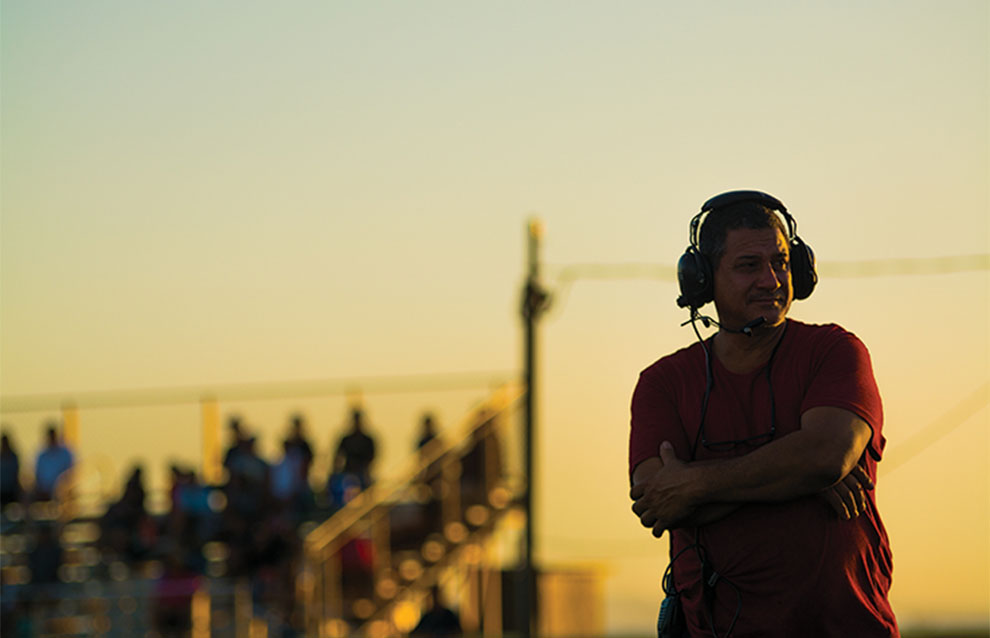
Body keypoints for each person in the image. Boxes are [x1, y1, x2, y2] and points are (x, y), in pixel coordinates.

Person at [628, 191, 898, 637]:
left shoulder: (835, 352)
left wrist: (695, 484)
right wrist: (801, 479)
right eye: (749, 265)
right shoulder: (663, 383)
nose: (771, 279)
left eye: (781, 262)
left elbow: (827, 455)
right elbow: (657, 500)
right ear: (702, 280)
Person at [335, 407, 377, 489]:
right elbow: (338, 456)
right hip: (347, 474)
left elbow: (372, 457)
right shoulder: (346, 440)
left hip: (363, 474)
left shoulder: (367, 440)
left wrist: (363, 468)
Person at [33, 423, 74, 502]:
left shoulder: (65, 453)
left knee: (61, 490)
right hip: (43, 489)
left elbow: (71, 472)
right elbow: (37, 475)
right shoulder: (42, 455)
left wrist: (62, 484)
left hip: (62, 488)